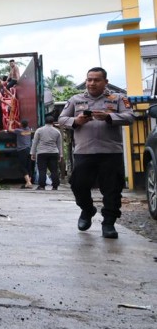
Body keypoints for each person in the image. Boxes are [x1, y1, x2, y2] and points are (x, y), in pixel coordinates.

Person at [58, 67, 134, 238]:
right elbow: (62, 119)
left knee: (112, 190)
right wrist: (76, 121)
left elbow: (130, 117)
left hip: (111, 152)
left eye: (96, 80)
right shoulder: (75, 99)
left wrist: (108, 117)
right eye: (89, 79)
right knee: (78, 185)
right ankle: (87, 210)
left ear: (105, 82)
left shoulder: (118, 99)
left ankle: (108, 223)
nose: (92, 83)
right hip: (84, 152)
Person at [31, 114, 63, 192]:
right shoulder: (57, 131)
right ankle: (55, 186)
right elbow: (59, 144)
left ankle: (42, 186)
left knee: (42, 170)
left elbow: (35, 143)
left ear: (45, 122)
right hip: (53, 152)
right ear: (53, 122)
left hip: (42, 153)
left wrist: (33, 153)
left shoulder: (39, 130)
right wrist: (61, 155)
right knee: (54, 170)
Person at [12, 119, 34, 188]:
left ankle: (28, 182)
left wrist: (10, 123)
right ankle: (28, 182)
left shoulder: (19, 131)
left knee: (22, 166)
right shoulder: (29, 130)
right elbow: (22, 125)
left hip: (22, 150)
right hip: (29, 150)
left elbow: (10, 129)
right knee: (29, 167)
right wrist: (17, 122)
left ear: (21, 125)